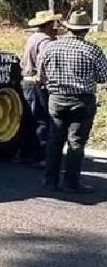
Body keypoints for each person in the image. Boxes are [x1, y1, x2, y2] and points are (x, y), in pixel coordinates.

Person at [39, 10, 107, 193]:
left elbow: (41, 73)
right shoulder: (93, 50)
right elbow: (102, 77)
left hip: (56, 98)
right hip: (82, 100)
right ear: (85, 30)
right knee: (76, 143)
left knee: (55, 141)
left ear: (68, 28)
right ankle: (71, 183)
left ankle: (50, 181)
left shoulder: (51, 48)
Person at [16, 10, 61, 164]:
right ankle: (40, 155)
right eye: (53, 23)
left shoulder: (32, 38)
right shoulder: (46, 42)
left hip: (26, 81)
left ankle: (24, 153)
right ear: (48, 25)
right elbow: (45, 63)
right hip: (37, 82)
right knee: (42, 120)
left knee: (28, 118)